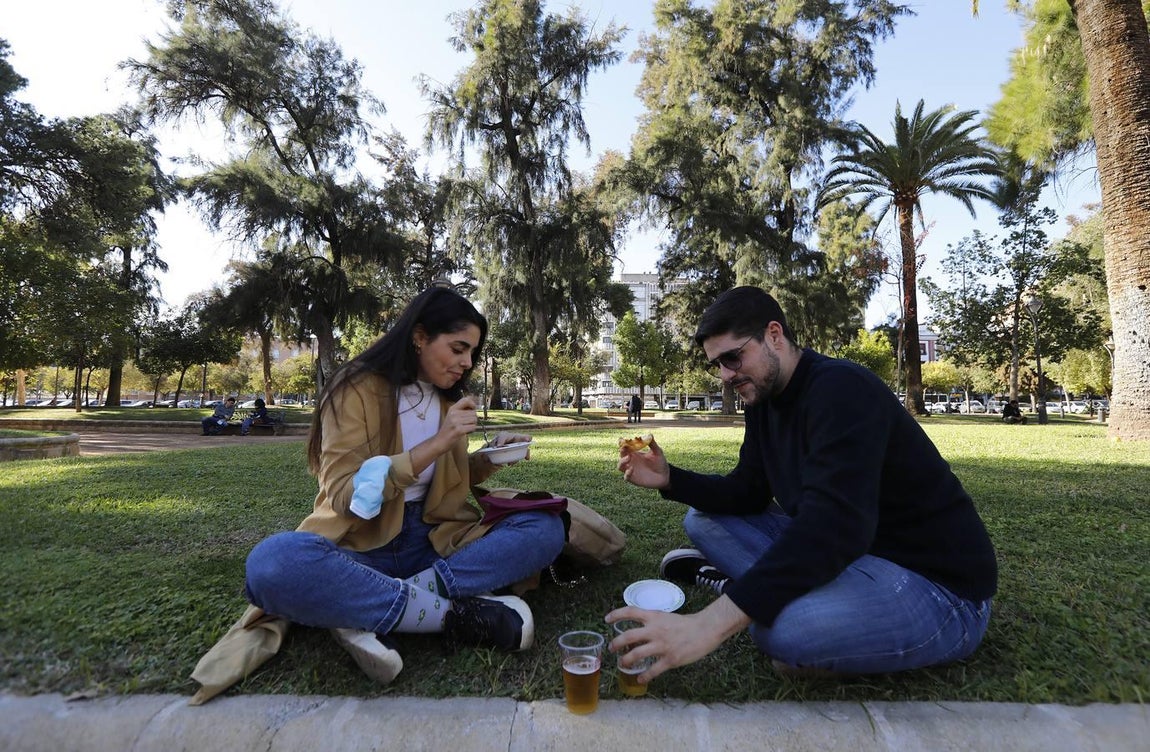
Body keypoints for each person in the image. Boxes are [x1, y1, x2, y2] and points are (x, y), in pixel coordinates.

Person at [610, 286, 997, 683]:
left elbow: (834, 526)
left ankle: (752, 594)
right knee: (701, 520)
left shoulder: (842, 390)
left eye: (732, 357)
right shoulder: (763, 399)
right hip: (849, 558)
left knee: (781, 631)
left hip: (934, 586)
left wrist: (710, 624)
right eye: (718, 365)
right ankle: (759, 591)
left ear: (774, 335)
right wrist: (670, 477)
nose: (726, 376)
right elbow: (749, 490)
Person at [240, 286, 566, 687]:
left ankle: (369, 608)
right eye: (458, 348)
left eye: (471, 354)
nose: (466, 363)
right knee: (272, 563)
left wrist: (487, 459)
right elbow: (343, 494)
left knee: (546, 527)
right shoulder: (354, 388)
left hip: (438, 541)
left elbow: (445, 478)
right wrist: (436, 444)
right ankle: (452, 615)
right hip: (363, 545)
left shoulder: (448, 399)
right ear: (419, 336)